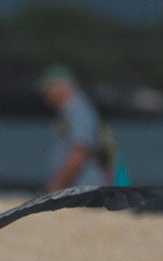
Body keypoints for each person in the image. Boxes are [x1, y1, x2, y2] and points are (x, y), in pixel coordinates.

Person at [39, 65, 111, 193]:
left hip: (83, 191)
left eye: (47, 89)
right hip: (79, 191)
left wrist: (54, 188)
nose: (45, 95)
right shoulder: (70, 112)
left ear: (60, 87)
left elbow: (79, 152)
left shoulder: (80, 112)